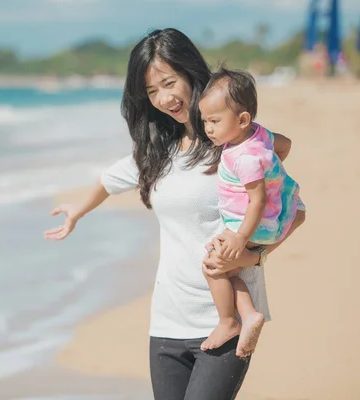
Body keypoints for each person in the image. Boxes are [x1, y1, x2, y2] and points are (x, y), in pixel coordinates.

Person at [44, 28, 305, 400]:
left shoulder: (235, 145)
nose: (164, 98)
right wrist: (77, 211)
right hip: (167, 321)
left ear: (190, 73)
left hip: (226, 321)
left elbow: (294, 211)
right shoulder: (157, 152)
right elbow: (110, 178)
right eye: (152, 91)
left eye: (170, 82)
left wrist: (257, 254)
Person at [197, 67, 304, 358]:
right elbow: (286, 145)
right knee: (229, 270)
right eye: (205, 120)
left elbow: (256, 201)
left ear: (242, 119)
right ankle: (250, 314)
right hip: (274, 218)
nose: (208, 128)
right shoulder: (259, 136)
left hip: (255, 227)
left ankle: (229, 321)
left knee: (213, 267)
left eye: (215, 121)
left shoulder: (243, 158)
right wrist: (273, 167)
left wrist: (240, 238)